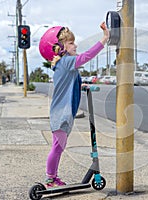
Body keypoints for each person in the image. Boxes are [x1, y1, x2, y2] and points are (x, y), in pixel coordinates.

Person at [39, 22, 109, 188]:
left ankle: (52, 177)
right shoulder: (67, 62)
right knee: (57, 148)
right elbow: (86, 56)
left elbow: (68, 83)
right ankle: (50, 179)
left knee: (59, 147)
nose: (75, 45)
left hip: (62, 113)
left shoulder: (63, 65)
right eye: (70, 43)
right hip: (62, 114)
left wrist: (81, 86)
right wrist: (104, 38)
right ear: (59, 48)